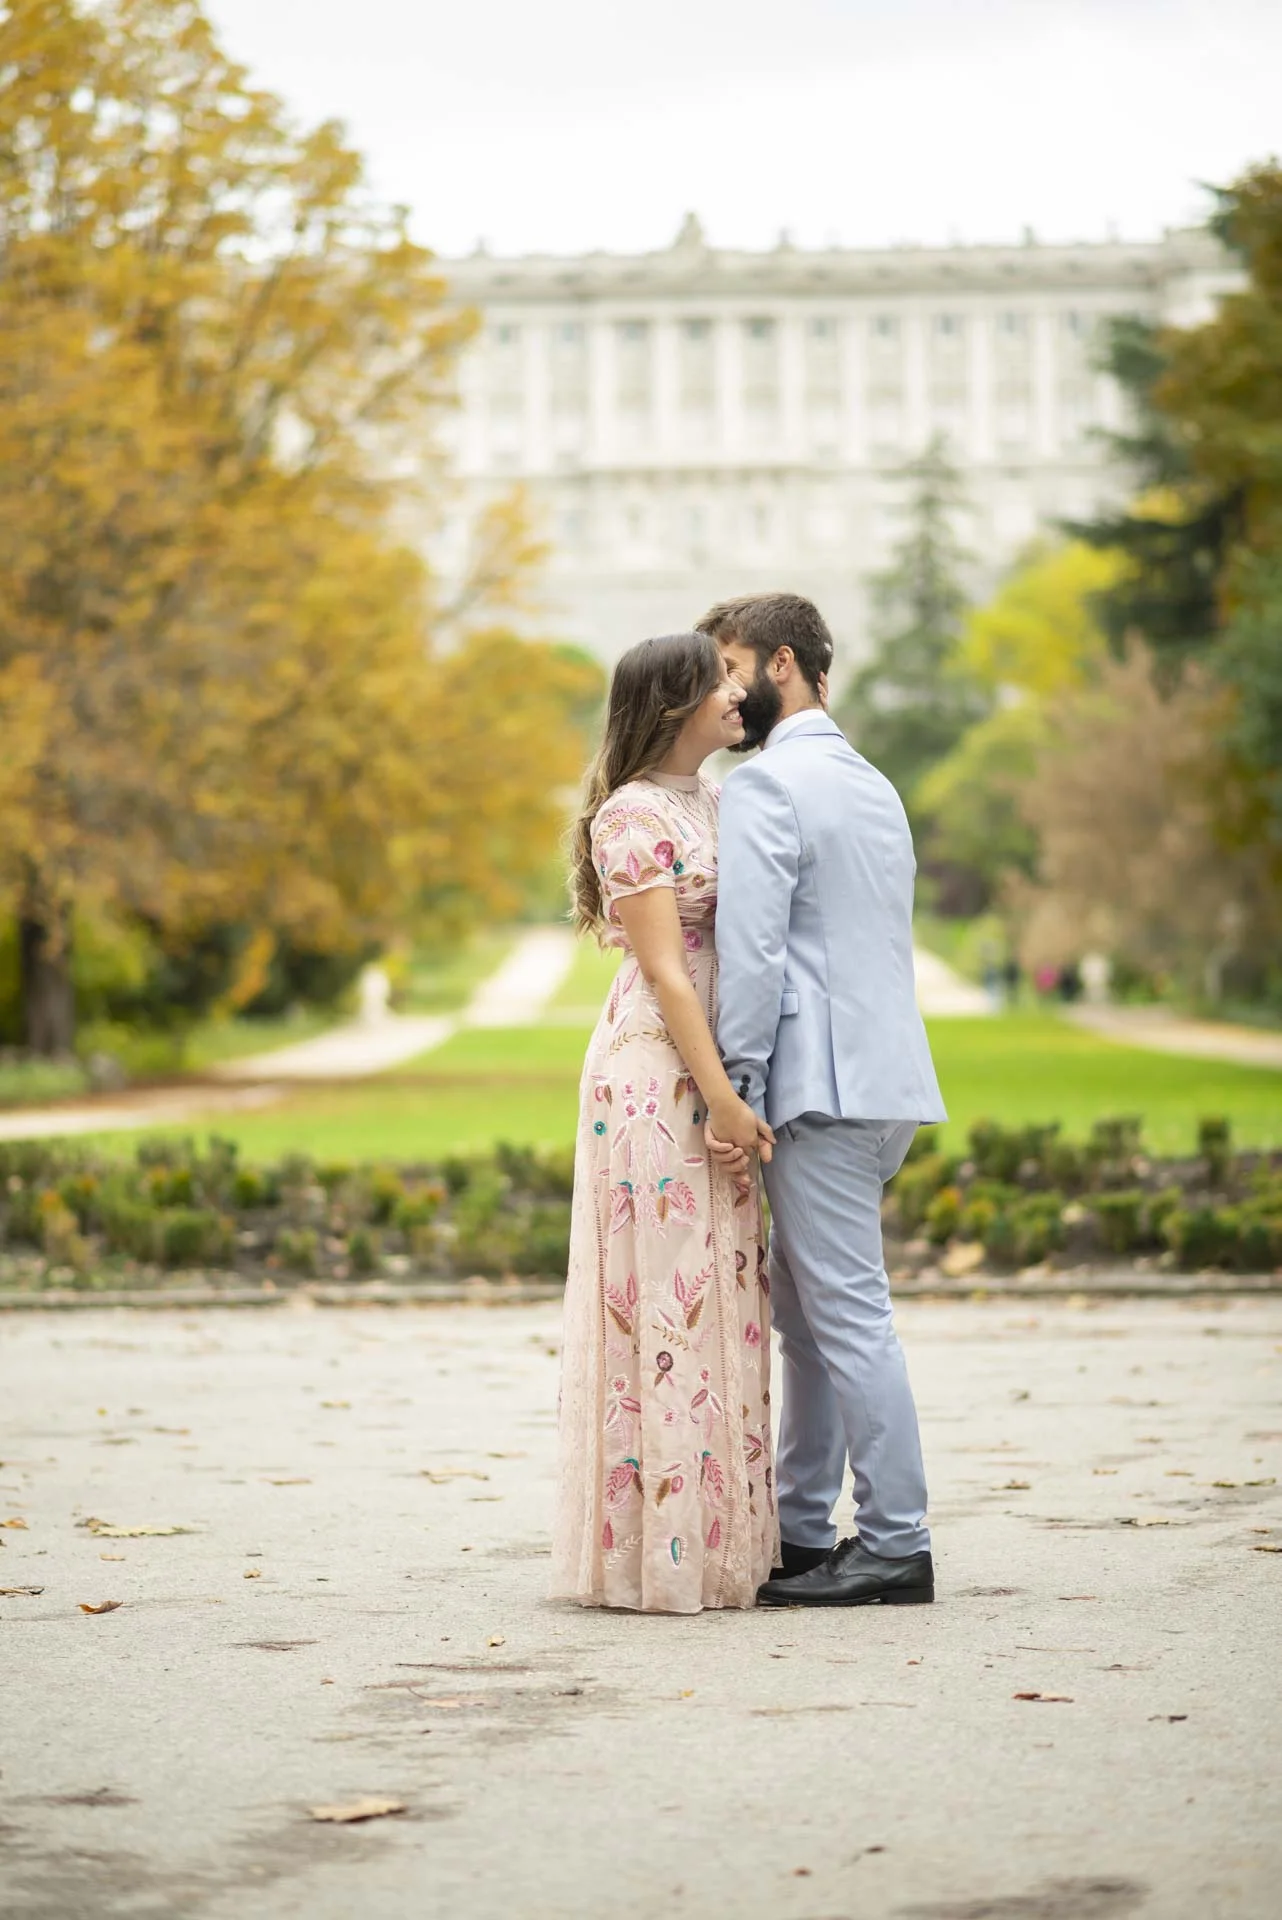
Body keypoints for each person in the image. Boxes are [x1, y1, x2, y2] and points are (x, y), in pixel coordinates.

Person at [697, 592, 946, 1609]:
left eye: (730, 666)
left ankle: (894, 1540)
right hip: (882, 1082)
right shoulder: (872, 782)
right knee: (810, 1318)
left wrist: (737, 1088)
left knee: (844, 1318)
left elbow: (754, 956)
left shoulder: (766, 789)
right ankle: (803, 1533)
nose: (722, 687)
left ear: (783, 665)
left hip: (819, 1087)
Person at [550, 632, 780, 1612]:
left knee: (718, 1289)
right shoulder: (632, 816)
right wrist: (720, 1094)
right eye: (720, 685)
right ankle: (659, 1555)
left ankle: (723, 1542)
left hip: (709, 1068)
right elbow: (662, 970)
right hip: (655, 1080)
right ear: (672, 703)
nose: (738, 695)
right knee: (664, 1296)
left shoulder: (713, 800)